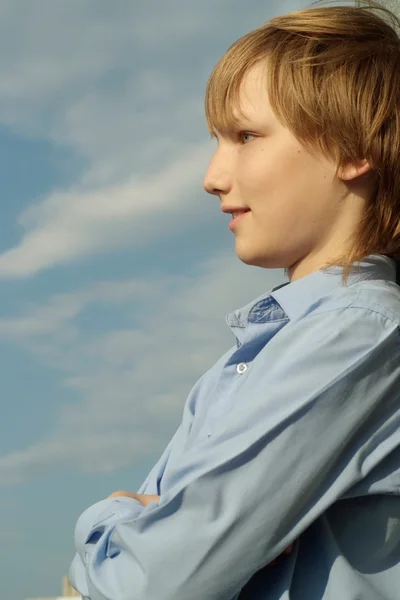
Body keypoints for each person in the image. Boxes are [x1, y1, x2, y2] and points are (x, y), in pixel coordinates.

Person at [69, 1, 400, 598]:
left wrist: (106, 519)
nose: (212, 175)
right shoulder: (278, 341)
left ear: (356, 148)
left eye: (246, 136)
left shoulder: (357, 332)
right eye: (217, 140)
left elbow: (151, 583)